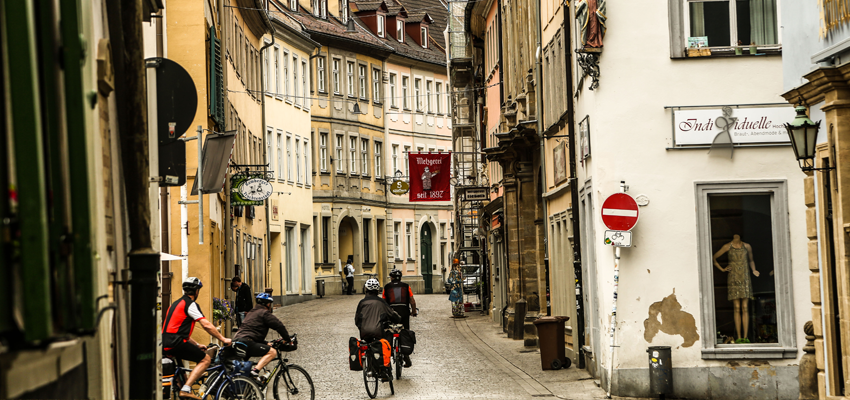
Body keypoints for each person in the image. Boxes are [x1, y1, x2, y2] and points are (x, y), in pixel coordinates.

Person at [162, 277, 232, 399]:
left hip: (165, 342)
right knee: (205, 360)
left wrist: (197, 344)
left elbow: (178, 331)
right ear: (196, 291)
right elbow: (206, 325)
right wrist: (223, 339)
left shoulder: (176, 303)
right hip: (176, 343)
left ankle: (183, 390)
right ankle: (186, 389)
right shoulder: (190, 304)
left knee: (182, 373)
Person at [233, 292, 292, 379]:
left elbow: (252, 331)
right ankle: (255, 371)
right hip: (247, 342)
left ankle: (248, 385)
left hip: (238, 340)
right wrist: (288, 339)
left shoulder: (251, 312)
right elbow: (279, 326)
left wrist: (264, 342)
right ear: (268, 304)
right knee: (272, 352)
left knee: (243, 370)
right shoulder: (264, 313)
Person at [713, 234, 759, 343]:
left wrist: (754, 270)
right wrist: (722, 269)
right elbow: (714, 258)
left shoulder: (747, 246)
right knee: (737, 307)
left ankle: (746, 336)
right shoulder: (727, 246)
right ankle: (739, 336)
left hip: (745, 277)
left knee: (745, 307)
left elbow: (751, 260)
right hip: (733, 278)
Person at [382, 269, 417, 367]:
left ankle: (386, 358)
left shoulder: (387, 287)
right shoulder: (406, 286)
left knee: (388, 331)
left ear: (391, 277)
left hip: (391, 314)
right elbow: (412, 301)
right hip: (404, 313)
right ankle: (406, 357)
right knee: (404, 332)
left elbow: (383, 302)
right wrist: (413, 311)